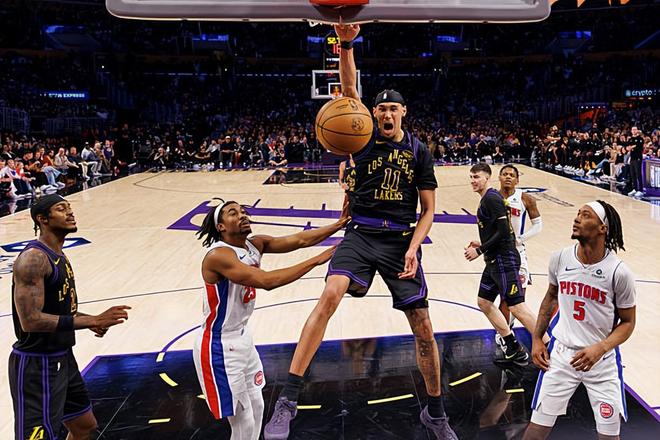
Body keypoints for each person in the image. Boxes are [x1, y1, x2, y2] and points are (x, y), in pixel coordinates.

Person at [265, 24, 458, 440]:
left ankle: (436, 413)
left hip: (399, 240)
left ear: (404, 112)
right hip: (361, 233)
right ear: (372, 113)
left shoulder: (419, 152)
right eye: (380, 109)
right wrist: (346, 42)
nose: (386, 115)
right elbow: (350, 88)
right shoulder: (362, 138)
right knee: (329, 296)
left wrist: (414, 247)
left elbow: (428, 211)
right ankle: (288, 401)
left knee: (423, 326)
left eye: (393, 109)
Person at [194, 199, 348, 440]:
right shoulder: (218, 255)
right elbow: (267, 281)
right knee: (243, 420)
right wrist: (316, 260)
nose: (242, 215)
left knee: (258, 406)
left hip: (243, 338)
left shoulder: (254, 244)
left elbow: (300, 240)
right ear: (221, 227)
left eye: (243, 211)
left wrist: (339, 224)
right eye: (233, 213)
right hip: (219, 346)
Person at [9, 194, 131, 440]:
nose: (70, 212)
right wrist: (93, 321)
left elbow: (62, 311)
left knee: (84, 426)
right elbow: (30, 320)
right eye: (61, 209)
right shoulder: (33, 259)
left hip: (63, 356)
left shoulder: (59, 255)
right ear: (42, 219)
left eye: (70, 207)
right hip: (38, 364)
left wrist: (90, 319)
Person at [524, 201, 635, 440]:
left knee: (609, 437)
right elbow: (550, 298)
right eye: (577, 214)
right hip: (561, 356)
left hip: (601, 361)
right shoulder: (560, 258)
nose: (577, 219)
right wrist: (537, 339)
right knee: (534, 434)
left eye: (585, 215)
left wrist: (601, 348)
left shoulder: (618, 272)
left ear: (603, 228)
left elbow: (628, 323)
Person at [464, 163, 548, 367]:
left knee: (517, 306)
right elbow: (498, 231)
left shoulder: (492, 198)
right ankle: (512, 347)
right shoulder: (488, 198)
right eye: (471, 177)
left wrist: (480, 250)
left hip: (504, 258)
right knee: (484, 302)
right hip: (494, 258)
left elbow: (504, 232)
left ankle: (550, 345)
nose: (473, 181)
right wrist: (482, 244)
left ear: (487, 178)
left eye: (477, 177)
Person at [495, 164, 542, 352]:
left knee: (518, 297)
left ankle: (508, 328)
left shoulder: (525, 198)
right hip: (498, 252)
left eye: (511, 175)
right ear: (499, 177)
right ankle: (503, 334)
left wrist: (520, 239)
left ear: (517, 180)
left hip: (518, 252)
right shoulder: (492, 198)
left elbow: (538, 225)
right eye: (504, 174)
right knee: (504, 297)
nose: (508, 177)